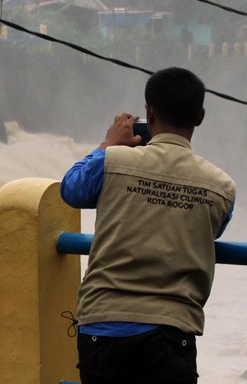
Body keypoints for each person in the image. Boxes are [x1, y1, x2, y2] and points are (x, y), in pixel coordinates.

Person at [60, 67, 236, 384]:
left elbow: (71, 190)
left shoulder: (112, 161)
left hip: (105, 324)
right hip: (173, 332)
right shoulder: (222, 186)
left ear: (148, 111)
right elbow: (212, 227)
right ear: (200, 117)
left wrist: (109, 142)